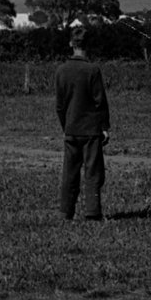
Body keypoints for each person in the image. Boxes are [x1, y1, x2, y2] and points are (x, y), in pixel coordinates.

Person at [55, 24, 111, 220]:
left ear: (71, 43)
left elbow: (60, 105)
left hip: (71, 129)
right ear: (88, 45)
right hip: (91, 130)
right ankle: (92, 212)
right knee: (93, 173)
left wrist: (66, 125)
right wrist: (104, 127)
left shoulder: (61, 70)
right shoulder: (92, 70)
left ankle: (65, 212)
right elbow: (100, 101)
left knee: (69, 173)